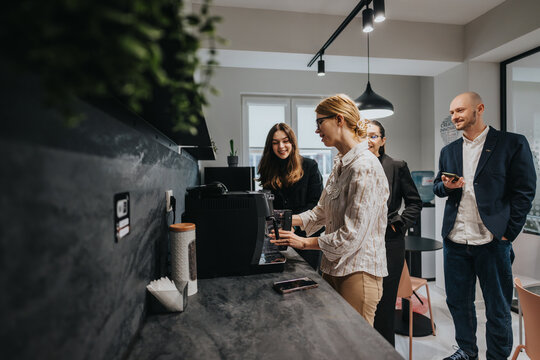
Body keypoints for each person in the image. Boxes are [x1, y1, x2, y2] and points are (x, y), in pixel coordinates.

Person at [270, 94, 389, 326]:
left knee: (356, 348)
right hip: (332, 267)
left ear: (339, 119)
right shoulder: (341, 163)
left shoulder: (364, 167)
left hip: (358, 272)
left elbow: (351, 236)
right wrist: (282, 219)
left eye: (319, 123)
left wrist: (303, 242)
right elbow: (320, 212)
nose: (317, 130)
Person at [434, 92, 536, 360]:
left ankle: (497, 357)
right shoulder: (449, 151)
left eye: (460, 110)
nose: (454, 116)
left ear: (479, 109)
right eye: (452, 112)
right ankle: (467, 351)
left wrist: (507, 233)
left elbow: (524, 190)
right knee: (457, 303)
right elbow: (437, 186)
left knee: (498, 308)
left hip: (492, 242)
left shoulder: (511, 143)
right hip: (455, 240)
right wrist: (445, 186)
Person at [368, 120, 422, 346]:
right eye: (363, 136)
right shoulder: (352, 166)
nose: (367, 141)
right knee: (364, 302)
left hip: (390, 244)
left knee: (384, 306)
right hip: (361, 245)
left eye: (373, 136)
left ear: (383, 140)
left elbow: (414, 202)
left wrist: (399, 223)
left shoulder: (397, 165)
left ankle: (385, 351)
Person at [258, 123, 324, 269]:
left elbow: (316, 204)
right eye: (275, 143)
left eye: (285, 141)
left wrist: (293, 224)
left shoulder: (309, 165)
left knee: (308, 276)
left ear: (292, 143)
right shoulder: (267, 169)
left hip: (306, 234)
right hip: (280, 234)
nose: (281, 146)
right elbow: (269, 205)